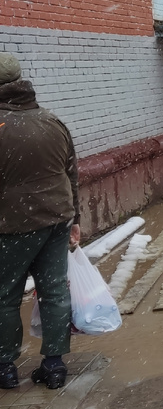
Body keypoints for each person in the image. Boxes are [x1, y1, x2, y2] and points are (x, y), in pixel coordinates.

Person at [0, 54, 80, 390]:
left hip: (12, 226)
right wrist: (75, 218)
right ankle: (54, 365)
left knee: (5, 296)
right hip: (57, 220)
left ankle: (5, 367)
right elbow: (70, 172)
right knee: (54, 291)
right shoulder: (52, 121)